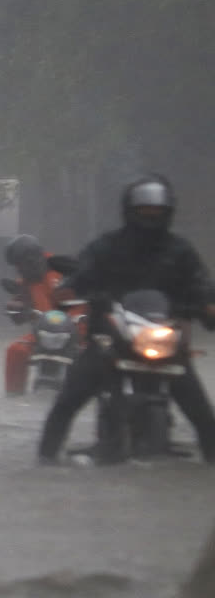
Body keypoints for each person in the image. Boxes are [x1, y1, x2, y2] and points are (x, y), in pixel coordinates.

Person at [37, 174, 215, 464]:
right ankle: (44, 460)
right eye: (144, 211)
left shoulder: (180, 251)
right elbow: (79, 275)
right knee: (67, 401)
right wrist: (71, 289)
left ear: (168, 213)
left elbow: (201, 284)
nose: (150, 217)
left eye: (156, 212)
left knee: (203, 415)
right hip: (111, 338)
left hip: (164, 339)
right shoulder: (106, 247)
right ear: (130, 212)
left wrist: (206, 305)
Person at [2, 234, 66, 395]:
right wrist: (15, 308)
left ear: (30, 259)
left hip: (75, 332)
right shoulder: (27, 278)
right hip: (43, 333)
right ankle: (13, 395)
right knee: (15, 351)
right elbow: (20, 302)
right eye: (17, 266)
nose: (19, 269)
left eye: (20, 264)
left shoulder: (63, 270)